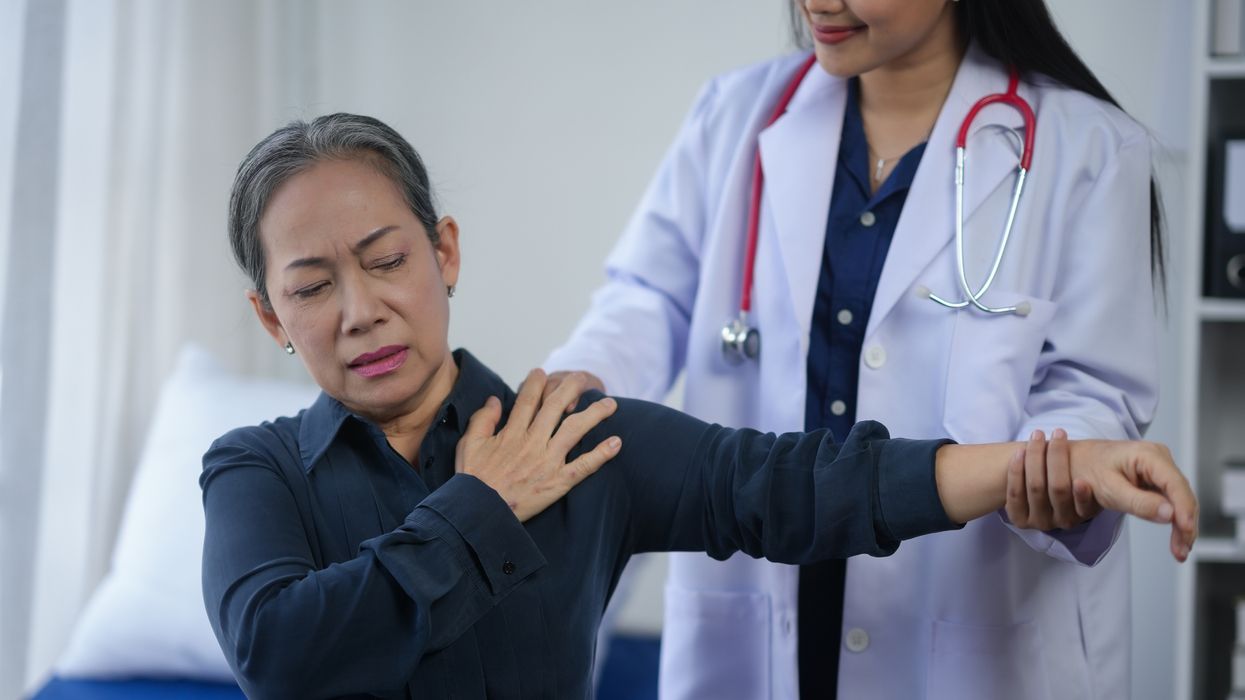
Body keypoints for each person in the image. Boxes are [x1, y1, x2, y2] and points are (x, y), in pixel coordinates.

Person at [200, 114, 1193, 700]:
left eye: (385, 261)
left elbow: (792, 483)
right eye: (312, 286)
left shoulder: (577, 440)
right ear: (270, 315)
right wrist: (481, 508)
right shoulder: (256, 469)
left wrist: (1035, 465)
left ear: (444, 252)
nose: (361, 310)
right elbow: (279, 653)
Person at [543, 1, 1166, 698]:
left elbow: (1091, 388)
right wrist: (573, 384)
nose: (818, 2)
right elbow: (647, 296)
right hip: (769, 597)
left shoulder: (1087, 149)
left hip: (969, 618)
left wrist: (1057, 469)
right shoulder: (737, 113)